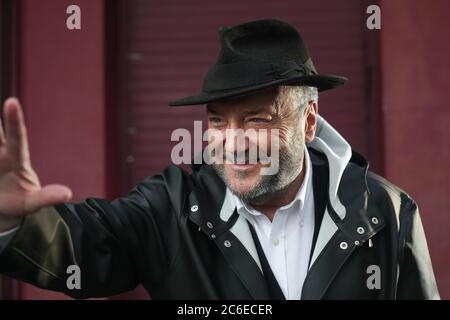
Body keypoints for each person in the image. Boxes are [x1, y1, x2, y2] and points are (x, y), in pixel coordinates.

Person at [0, 19, 440, 299]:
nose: (233, 142)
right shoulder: (172, 208)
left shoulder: (386, 213)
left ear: (308, 122)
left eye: (256, 118)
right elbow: (88, 243)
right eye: (218, 120)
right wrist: (12, 223)